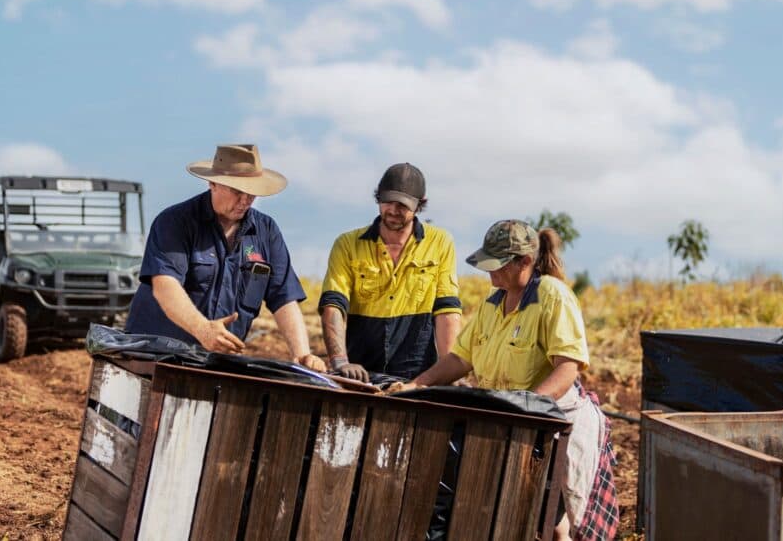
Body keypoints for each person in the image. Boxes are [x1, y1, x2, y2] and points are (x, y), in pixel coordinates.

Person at [391, 220, 619, 541]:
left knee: (547, 517)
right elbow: (459, 358)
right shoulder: (492, 304)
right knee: (540, 518)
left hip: (548, 422)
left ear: (524, 262)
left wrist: (528, 408)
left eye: (497, 265)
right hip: (504, 420)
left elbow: (567, 368)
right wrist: (418, 385)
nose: (490, 273)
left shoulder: (552, 297)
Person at [125, 144, 324, 371]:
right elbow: (165, 285)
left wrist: (302, 354)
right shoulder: (175, 222)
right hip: (155, 357)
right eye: (237, 191)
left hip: (215, 363)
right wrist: (202, 329)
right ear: (213, 183)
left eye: (251, 193)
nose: (245, 200)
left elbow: (284, 297)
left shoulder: (266, 231)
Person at [318, 163, 462, 382]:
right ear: (378, 198)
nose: (393, 211)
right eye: (387, 202)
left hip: (417, 372)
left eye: (402, 205)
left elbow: (447, 311)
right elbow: (333, 305)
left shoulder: (440, 242)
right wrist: (340, 361)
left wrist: (448, 373)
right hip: (360, 372)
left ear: (419, 206)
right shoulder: (347, 244)